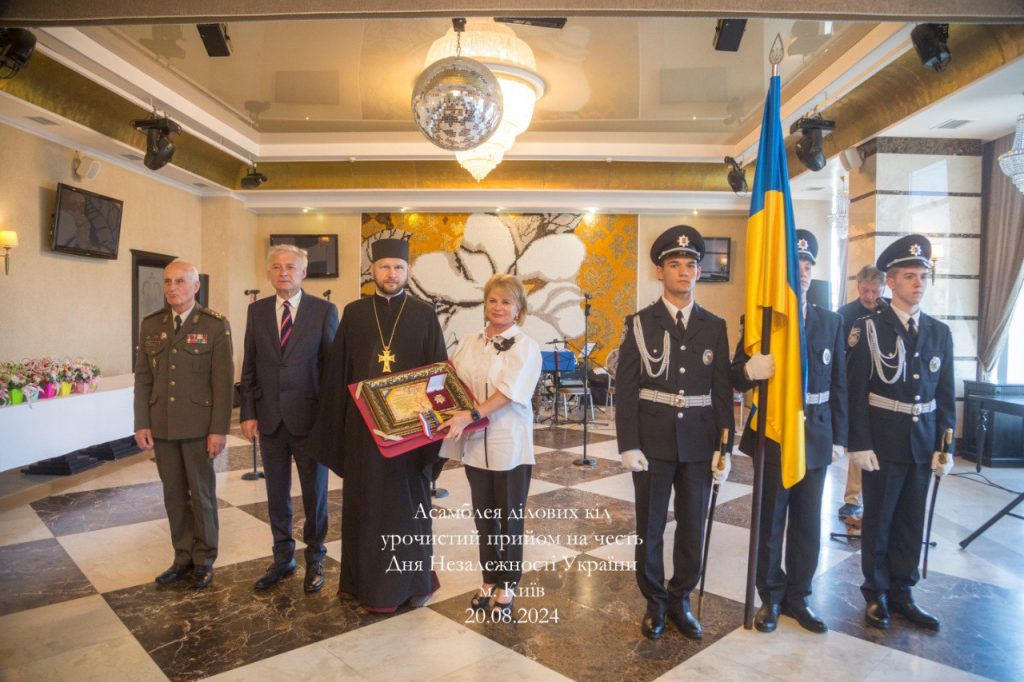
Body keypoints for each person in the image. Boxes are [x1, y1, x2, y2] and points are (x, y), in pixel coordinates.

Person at [306, 238, 447, 612]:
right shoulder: (354, 313)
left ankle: (414, 583)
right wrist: (336, 430)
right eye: (384, 267)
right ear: (372, 271)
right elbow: (339, 373)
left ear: (408, 272)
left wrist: (434, 431)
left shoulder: (424, 314)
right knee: (364, 506)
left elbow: (438, 374)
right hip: (363, 433)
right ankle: (360, 583)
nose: (391, 274)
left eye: (398, 268)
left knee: (409, 506)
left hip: (410, 432)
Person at [616, 224, 735, 641]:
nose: (683, 272)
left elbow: (722, 390)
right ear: (659, 272)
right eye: (674, 265)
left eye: (690, 265)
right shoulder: (639, 323)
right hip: (652, 442)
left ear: (698, 273)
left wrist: (727, 445)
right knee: (649, 527)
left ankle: (680, 597)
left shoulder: (714, 325)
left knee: (692, 526)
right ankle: (654, 602)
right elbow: (626, 388)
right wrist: (628, 443)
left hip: (700, 443)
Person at [731, 229, 847, 634]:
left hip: (815, 433)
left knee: (807, 522)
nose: (802, 272)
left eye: (808, 265)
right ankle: (771, 598)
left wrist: (840, 437)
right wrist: (750, 369)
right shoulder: (761, 321)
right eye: (794, 265)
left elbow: (840, 385)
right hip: (775, 433)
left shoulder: (831, 322)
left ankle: (800, 597)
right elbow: (735, 379)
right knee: (771, 521)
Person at [847, 234, 955, 631]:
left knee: (912, 519)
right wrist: (858, 443)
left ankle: (903, 591)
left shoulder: (939, 332)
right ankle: (876, 592)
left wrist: (946, 444)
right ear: (890, 282)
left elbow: (945, 395)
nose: (918, 283)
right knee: (880, 520)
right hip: (884, 440)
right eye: (909, 276)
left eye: (923, 276)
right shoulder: (868, 329)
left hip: (924, 442)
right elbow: (856, 391)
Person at [439, 274, 542, 618]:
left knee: (509, 519)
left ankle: (508, 583)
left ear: (518, 309)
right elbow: (448, 379)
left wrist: (470, 414)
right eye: (492, 300)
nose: (498, 307)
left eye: (506, 302)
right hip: (474, 444)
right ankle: (489, 578)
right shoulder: (469, 341)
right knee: (484, 519)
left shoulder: (525, 345)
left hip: (508, 444)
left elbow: (510, 392)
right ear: (484, 304)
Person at [239, 244, 339, 593]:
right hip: (269, 420)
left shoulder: (324, 311)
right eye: (277, 267)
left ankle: (315, 559)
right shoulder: (257, 312)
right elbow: (249, 366)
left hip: (310, 420)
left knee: (315, 494)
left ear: (303, 272)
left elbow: (331, 371)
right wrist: (247, 413)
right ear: (269, 272)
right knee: (276, 494)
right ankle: (282, 559)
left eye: (291, 267)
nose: (283, 272)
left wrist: (329, 419)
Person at [134, 260, 233, 589]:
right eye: (167, 282)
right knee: (173, 495)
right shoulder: (151, 325)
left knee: (201, 495)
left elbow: (223, 383)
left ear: (195, 287)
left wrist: (218, 429)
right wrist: (142, 423)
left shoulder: (215, 325)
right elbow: (144, 380)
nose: (172, 288)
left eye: (179, 282)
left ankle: (205, 558)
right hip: (161, 425)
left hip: (198, 426)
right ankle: (182, 555)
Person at [836, 264, 888, 523]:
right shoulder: (845, 315)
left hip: (885, 389)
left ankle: (881, 498)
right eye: (866, 291)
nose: (870, 296)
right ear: (858, 287)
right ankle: (852, 499)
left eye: (875, 291)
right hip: (856, 389)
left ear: (884, 288)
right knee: (860, 442)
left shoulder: (889, 312)